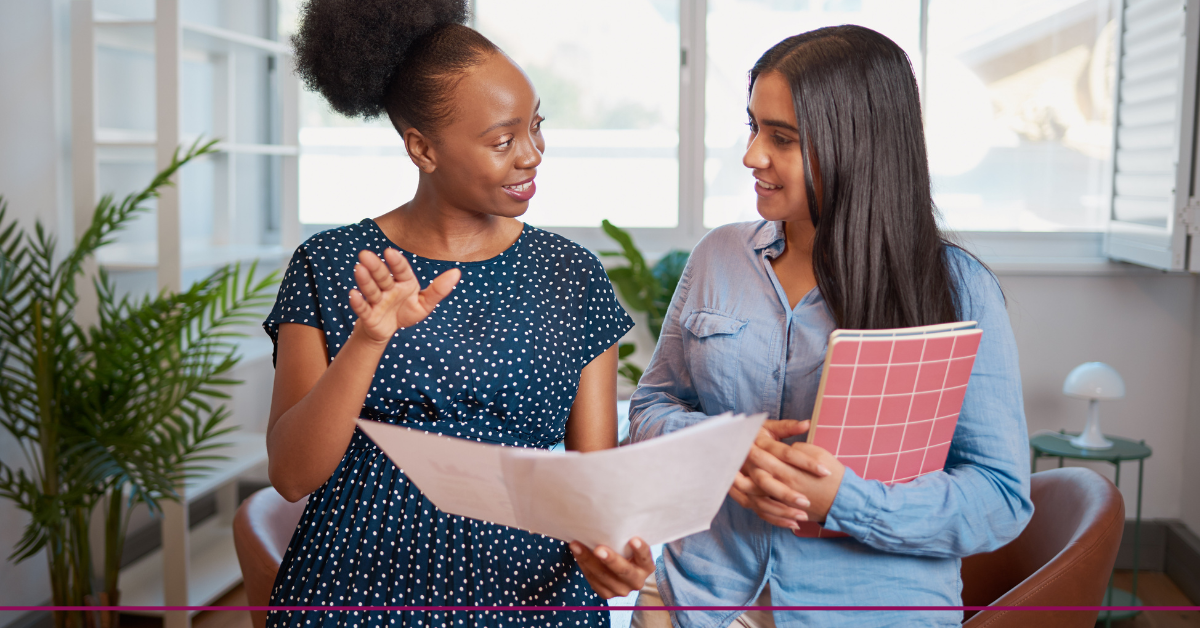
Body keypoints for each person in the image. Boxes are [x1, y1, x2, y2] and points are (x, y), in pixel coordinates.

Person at [623, 26, 1034, 628]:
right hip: (699, 599)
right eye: (753, 126)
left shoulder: (955, 288)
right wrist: (720, 446)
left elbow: (1000, 497)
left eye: (782, 138)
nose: (752, 155)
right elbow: (649, 410)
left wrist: (846, 502)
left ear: (857, 143)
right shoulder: (718, 257)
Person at [262, 1, 653, 626]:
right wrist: (369, 339)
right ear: (422, 148)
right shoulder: (333, 264)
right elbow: (291, 475)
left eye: (536, 126)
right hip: (359, 589)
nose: (532, 154)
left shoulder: (573, 275)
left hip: (533, 594)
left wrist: (614, 555)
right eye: (502, 140)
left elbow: (593, 485)